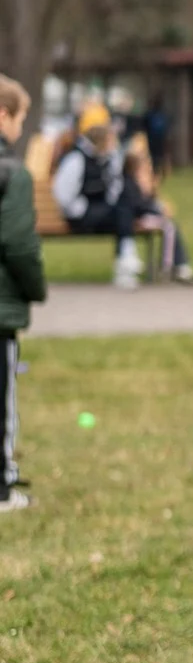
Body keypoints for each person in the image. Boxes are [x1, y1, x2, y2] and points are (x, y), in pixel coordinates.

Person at [52, 106, 191, 288]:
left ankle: (126, 260)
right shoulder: (76, 160)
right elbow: (63, 194)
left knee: (122, 208)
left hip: (103, 212)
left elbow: (115, 187)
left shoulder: (107, 158)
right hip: (81, 215)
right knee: (122, 210)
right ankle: (126, 257)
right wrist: (82, 208)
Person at [0, 75, 46, 514]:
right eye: (19, 119)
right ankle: (2, 485)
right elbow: (18, 243)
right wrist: (35, 287)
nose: (19, 129)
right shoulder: (11, 173)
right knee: (2, 401)